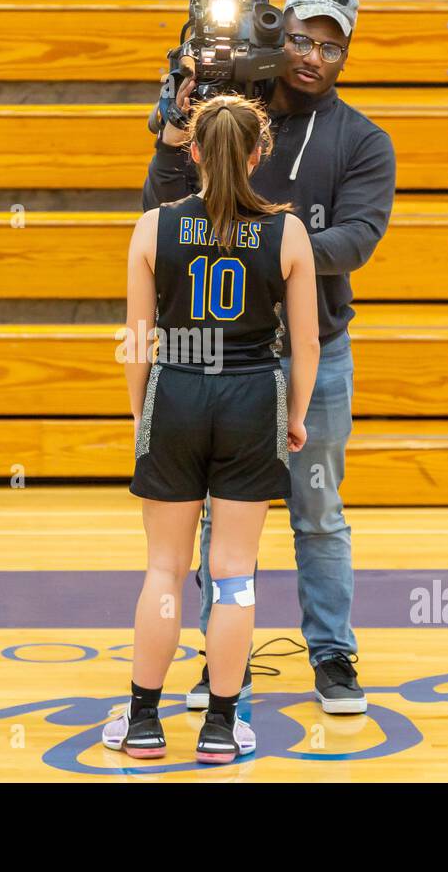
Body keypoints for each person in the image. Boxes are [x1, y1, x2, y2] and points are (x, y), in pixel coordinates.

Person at [143, 0, 396, 714]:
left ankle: (333, 656)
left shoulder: (362, 139)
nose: (313, 55)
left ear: (346, 54)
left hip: (317, 354)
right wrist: (171, 127)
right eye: (302, 39)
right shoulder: (221, 117)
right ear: (276, 35)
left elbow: (358, 241)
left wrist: (267, 248)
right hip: (225, 360)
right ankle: (226, 662)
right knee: (222, 521)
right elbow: (161, 209)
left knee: (317, 512)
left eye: (331, 44)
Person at [105, 94, 320, 763]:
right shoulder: (287, 234)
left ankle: (143, 723)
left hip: (178, 391)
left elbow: (138, 341)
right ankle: (222, 728)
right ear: (260, 154)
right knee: (233, 575)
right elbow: (306, 346)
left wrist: (145, 413)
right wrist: (295, 416)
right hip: (253, 396)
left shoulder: (153, 227)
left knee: (165, 570)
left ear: (192, 152)